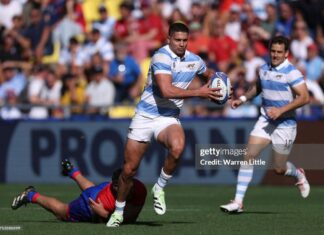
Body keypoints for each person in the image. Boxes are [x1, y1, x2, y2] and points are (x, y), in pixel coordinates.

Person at [106, 22, 223, 227]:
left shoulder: (194, 60)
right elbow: (167, 91)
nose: (181, 44)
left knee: (177, 148)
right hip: (145, 116)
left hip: (168, 117)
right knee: (129, 170)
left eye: (185, 40)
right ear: (168, 39)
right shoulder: (161, 56)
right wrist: (200, 92)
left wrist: (222, 85)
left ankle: (159, 188)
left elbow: (209, 74)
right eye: (177, 40)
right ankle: (118, 211)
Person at [220, 35, 310, 213]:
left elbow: (305, 97)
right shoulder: (263, 68)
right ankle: (238, 202)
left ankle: (298, 174)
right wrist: (243, 98)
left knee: (278, 168)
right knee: (248, 155)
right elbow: (258, 87)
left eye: (279, 52)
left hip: (285, 124)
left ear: (286, 54)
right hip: (266, 120)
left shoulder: (292, 72)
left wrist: (281, 110)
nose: (275, 55)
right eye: (273, 51)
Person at [11, 159, 147, 223]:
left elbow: (131, 216)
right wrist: (105, 215)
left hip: (100, 190)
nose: (123, 188)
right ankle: (30, 195)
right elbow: (122, 220)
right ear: (114, 185)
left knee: (91, 189)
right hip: (91, 205)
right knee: (64, 212)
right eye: (119, 186)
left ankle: (72, 171)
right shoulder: (104, 201)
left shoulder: (139, 188)